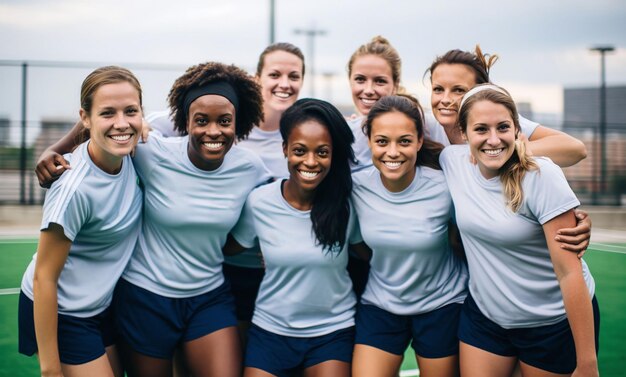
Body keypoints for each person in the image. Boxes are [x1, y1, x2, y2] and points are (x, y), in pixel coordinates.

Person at [35, 62, 269, 377]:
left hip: (209, 297)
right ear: (186, 121)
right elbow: (110, 127)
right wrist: (54, 151)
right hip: (145, 298)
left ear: (237, 123)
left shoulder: (251, 169)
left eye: (224, 121)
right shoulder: (150, 151)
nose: (213, 131)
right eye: (201, 120)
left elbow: (279, 203)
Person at [439, 84, 599, 377]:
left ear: (517, 130)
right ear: (463, 134)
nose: (493, 139)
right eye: (481, 130)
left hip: (550, 323)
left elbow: (569, 272)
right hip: (486, 319)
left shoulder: (542, 175)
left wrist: (587, 363)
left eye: (502, 127)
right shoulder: (452, 162)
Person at [19, 66, 144, 377]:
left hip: (101, 306)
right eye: (107, 113)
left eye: (131, 111)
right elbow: (44, 279)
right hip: (62, 312)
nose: (121, 123)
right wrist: (51, 371)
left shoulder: (132, 155)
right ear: (85, 118)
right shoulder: (73, 189)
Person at [223, 98, 358, 377]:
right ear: (285, 149)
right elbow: (226, 249)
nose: (310, 161)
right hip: (270, 332)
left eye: (322, 152)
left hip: (332, 332)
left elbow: (371, 252)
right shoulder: (259, 202)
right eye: (299, 151)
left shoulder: (349, 204)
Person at [350, 94, 467, 377]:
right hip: (381, 305)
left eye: (403, 141)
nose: (392, 152)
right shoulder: (356, 187)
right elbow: (358, 245)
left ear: (418, 142)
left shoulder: (445, 186)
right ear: (369, 142)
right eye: (382, 141)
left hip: (442, 304)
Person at [222, 43, 305, 345]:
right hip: (226, 270)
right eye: (275, 74)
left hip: (284, 275)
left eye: (293, 76)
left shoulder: (304, 134)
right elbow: (163, 122)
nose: (285, 84)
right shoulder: (229, 128)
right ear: (257, 79)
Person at [426, 45, 587, 167]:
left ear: (479, 92)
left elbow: (575, 149)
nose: (446, 99)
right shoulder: (423, 125)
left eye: (458, 90)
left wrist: (511, 150)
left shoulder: (499, 124)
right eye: (438, 89)